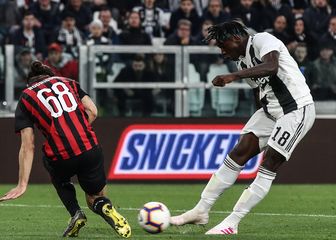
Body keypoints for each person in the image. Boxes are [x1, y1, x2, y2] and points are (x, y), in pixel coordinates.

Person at [170, 20, 315, 235]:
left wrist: (231, 77)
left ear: (236, 39)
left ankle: (232, 222)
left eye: (223, 46)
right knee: (238, 152)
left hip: (296, 110)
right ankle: (201, 210)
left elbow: (271, 67)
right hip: (270, 111)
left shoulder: (263, 40)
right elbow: (258, 91)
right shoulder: (241, 63)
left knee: (269, 163)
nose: (222, 52)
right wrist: (260, 117)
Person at [0, 61, 131, 238]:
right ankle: (104, 205)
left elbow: (28, 144)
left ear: (30, 81)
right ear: (51, 75)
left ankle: (75, 213)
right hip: (89, 148)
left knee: (55, 171)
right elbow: (92, 111)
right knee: (94, 197)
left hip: (61, 156)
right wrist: (78, 128)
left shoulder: (26, 96)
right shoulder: (69, 82)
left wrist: (22, 184)